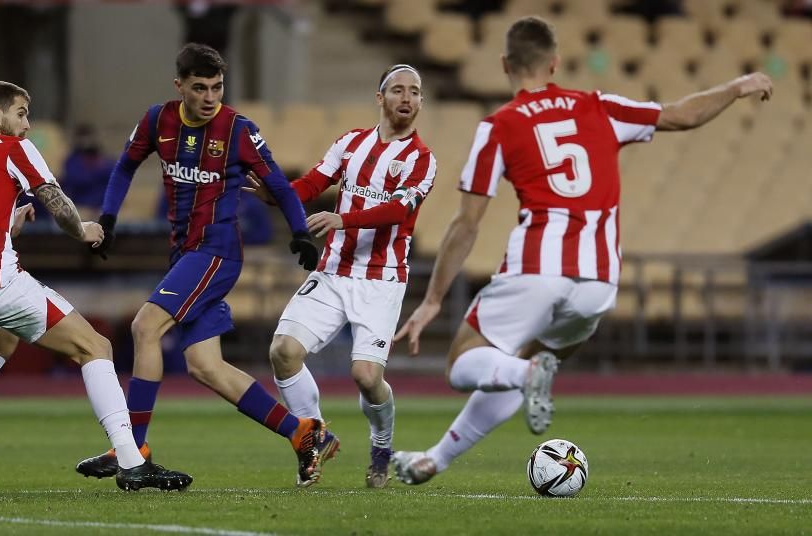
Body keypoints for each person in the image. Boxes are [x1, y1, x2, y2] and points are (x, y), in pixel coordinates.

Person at [391, 16, 773, 485]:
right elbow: (683, 114)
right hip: (598, 281)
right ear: (554, 63)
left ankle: (525, 375)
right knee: (520, 364)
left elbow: (467, 223)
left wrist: (432, 300)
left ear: (505, 65)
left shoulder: (499, 127)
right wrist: (737, 86)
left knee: (466, 363)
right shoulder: (601, 107)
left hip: (537, 266)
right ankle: (435, 459)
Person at [74, 43, 328, 487]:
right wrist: (109, 219)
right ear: (180, 87)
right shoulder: (158, 119)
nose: (211, 97)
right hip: (185, 253)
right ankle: (302, 432)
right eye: (200, 88)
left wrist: (300, 231)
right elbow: (124, 167)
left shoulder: (238, 130)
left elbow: (282, 188)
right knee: (205, 366)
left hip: (217, 252)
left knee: (145, 327)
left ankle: (133, 446)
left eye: (217, 87)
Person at [0, 80, 193, 493]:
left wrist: (7, 225)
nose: (27, 125)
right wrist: (82, 230)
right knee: (95, 347)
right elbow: (54, 198)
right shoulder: (13, 148)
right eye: (21, 113)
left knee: (2, 344)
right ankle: (131, 461)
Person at [246, 64, 436, 488]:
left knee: (367, 378)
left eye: (415, 92)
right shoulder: (350, 142)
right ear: (380, 98)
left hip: (382, 279)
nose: (407, 98)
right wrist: (277, 196)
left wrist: (342, 219)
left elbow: (397, 211)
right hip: (334, 271)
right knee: (283, 351)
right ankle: (313, 434)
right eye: (399, 90)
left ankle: (382, 443)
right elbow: (314, 182)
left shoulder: (422, 160)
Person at [60, 124, 115, 219]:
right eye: (83, 139)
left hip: (101, 205)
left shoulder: (105, 161)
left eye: (90, 138)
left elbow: (113, 182)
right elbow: (75, 181)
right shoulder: (73, 161)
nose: (87, 142)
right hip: (80, 205)